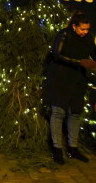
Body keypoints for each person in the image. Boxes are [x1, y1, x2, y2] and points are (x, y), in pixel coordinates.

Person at [43, 12, 96, 164]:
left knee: (75, 113)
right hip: (61, 78)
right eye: (82, 29)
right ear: (74, 26)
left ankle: (73, 148)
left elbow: (94, 53)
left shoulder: (88, 38)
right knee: (58, 112)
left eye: (87, 29)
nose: (85, 32)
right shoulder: (64, 34)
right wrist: (79, 62)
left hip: (78, 79)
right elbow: (57, 54)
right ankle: (57, 149)